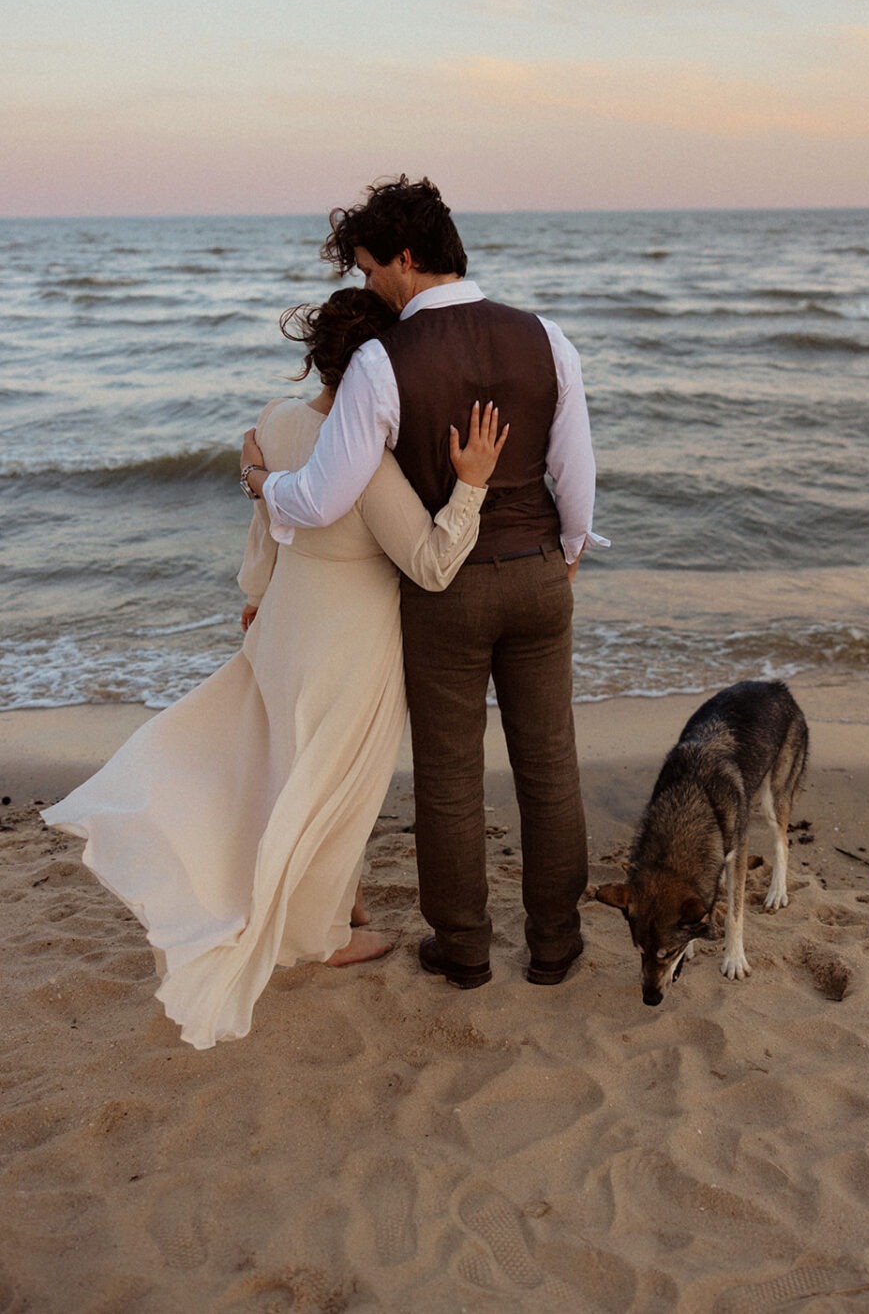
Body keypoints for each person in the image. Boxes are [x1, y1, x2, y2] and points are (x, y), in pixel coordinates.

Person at [43, 287, 506, 1049]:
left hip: (287, 619)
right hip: (350, 638)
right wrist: (473, 485)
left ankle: (344, 899)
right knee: (337, 779)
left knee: (289, 766)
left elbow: (266, 525)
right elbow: (429, 565)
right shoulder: (370, 462)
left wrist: (255, 597)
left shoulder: (274, 421)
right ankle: (326, 936)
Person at [240, 176, 607, 990]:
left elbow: (326, 494)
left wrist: (266, 487)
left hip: (448, 590)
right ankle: (554, 944)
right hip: (541, 574)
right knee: (550, 762)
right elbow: (573, 478)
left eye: (371, 268)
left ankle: (466, 948)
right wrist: (568, 551)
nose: (368, 285)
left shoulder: (380, 360)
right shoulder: (546, 337)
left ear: (407, 259)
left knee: (449, 772)